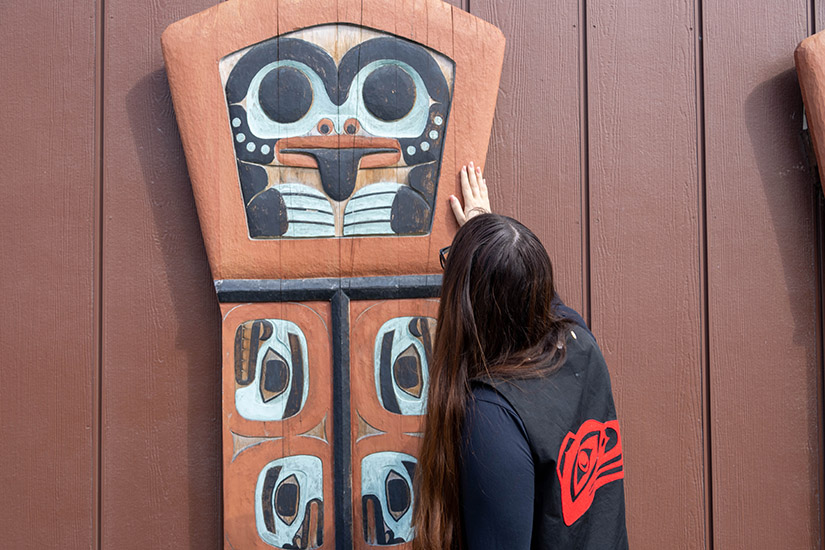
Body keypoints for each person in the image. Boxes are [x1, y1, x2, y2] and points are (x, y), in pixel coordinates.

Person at [412, 162, 628, 549]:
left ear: (468, 306)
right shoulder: (579, 343)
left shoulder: (493, 414)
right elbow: (531, 292)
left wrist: (478, 251)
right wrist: (485, 232)